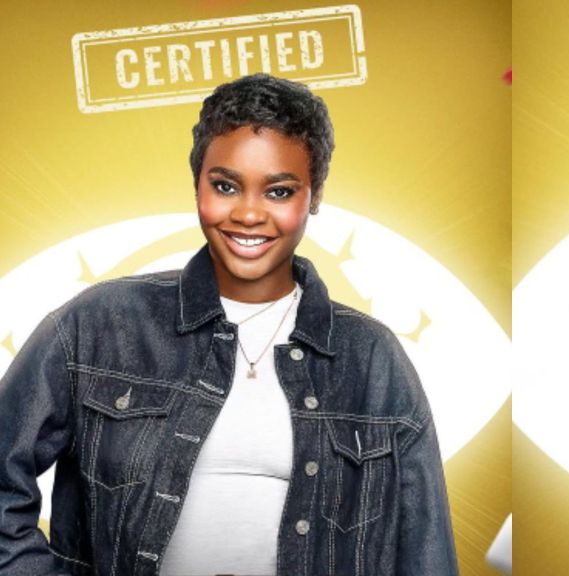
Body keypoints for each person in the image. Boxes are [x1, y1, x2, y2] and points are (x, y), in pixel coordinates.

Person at [0, 74, 459, 575]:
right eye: (225, 186)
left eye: (279, 191)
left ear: (315, 195)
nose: (248, 213)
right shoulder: (98, 326)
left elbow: (424, 551)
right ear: (197, 182)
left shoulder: (371, 358)